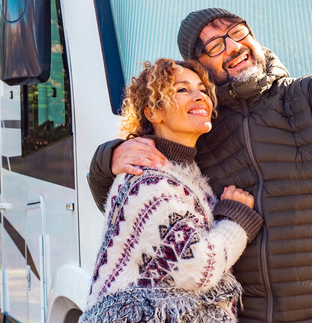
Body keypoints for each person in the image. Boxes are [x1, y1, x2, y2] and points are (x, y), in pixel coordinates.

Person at [88, 0, 312, 323]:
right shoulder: (200, 132)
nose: (233, 47)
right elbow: (134, 211)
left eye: (237, 33)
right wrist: (109, 156)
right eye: (215, 46)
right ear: (201, 67)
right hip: (243, 314)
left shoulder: (310, 100)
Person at [80, 58, 264, 323]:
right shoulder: (147, 180)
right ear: (153, 113)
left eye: (202, 89)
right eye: (182, 90)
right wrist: (235, 221)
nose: (200, 96)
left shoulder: (186, 174)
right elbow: (197, 267)